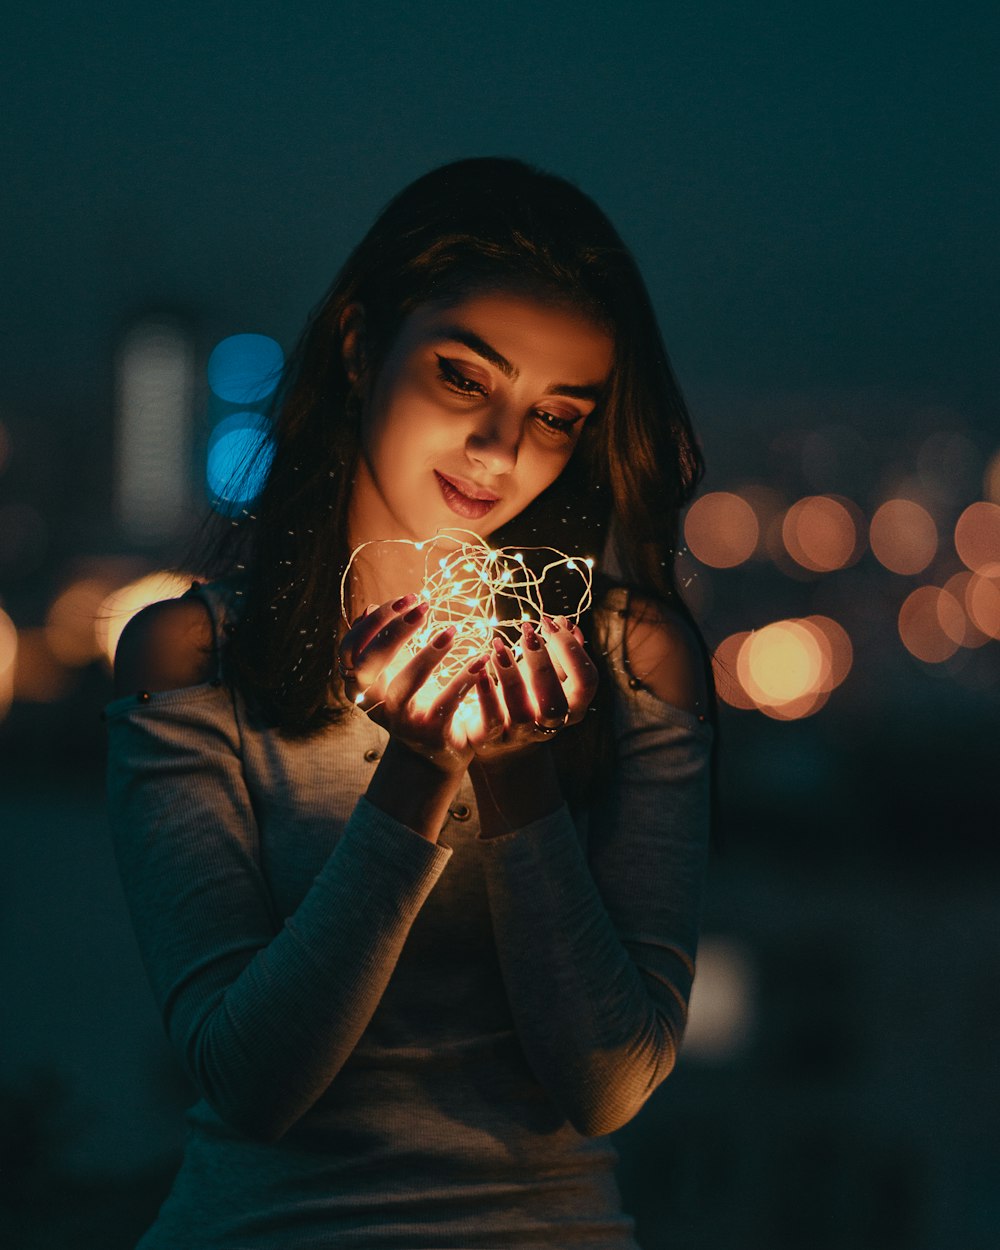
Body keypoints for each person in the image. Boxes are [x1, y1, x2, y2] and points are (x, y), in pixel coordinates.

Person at [105, 156, 719, 1250]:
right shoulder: (194, 655)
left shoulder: (633, 663)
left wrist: (516, 771)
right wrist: (418, 769)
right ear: (358, 345)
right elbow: (249, 1076)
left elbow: (608, 1078)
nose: (500, 449)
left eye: (558, 413)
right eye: (463, 378)